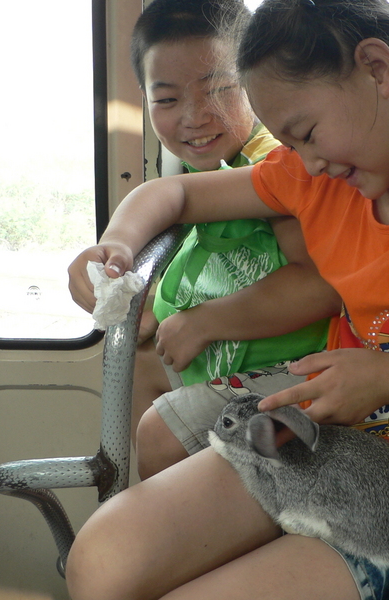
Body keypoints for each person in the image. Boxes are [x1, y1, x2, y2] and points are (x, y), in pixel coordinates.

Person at [64, 1, 389, 598]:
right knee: (101, 562)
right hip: (312, 445)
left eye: (307, 133)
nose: (307, 160)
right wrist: (113, 249)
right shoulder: (322, 177)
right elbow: (175, 195)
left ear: (377, 69)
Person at [69, 0, 339, 478]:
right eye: (168, 100)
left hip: (297, 373)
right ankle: (144, 508)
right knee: (137, 361)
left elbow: (321, 285)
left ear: (259, 84)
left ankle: (163, 531)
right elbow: (165, 194)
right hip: (231, 359)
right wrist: (115, 248)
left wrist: (205, 322)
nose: (195, 117)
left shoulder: (276, 164)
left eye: (219, 91)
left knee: (160, 433)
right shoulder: (211, 164)